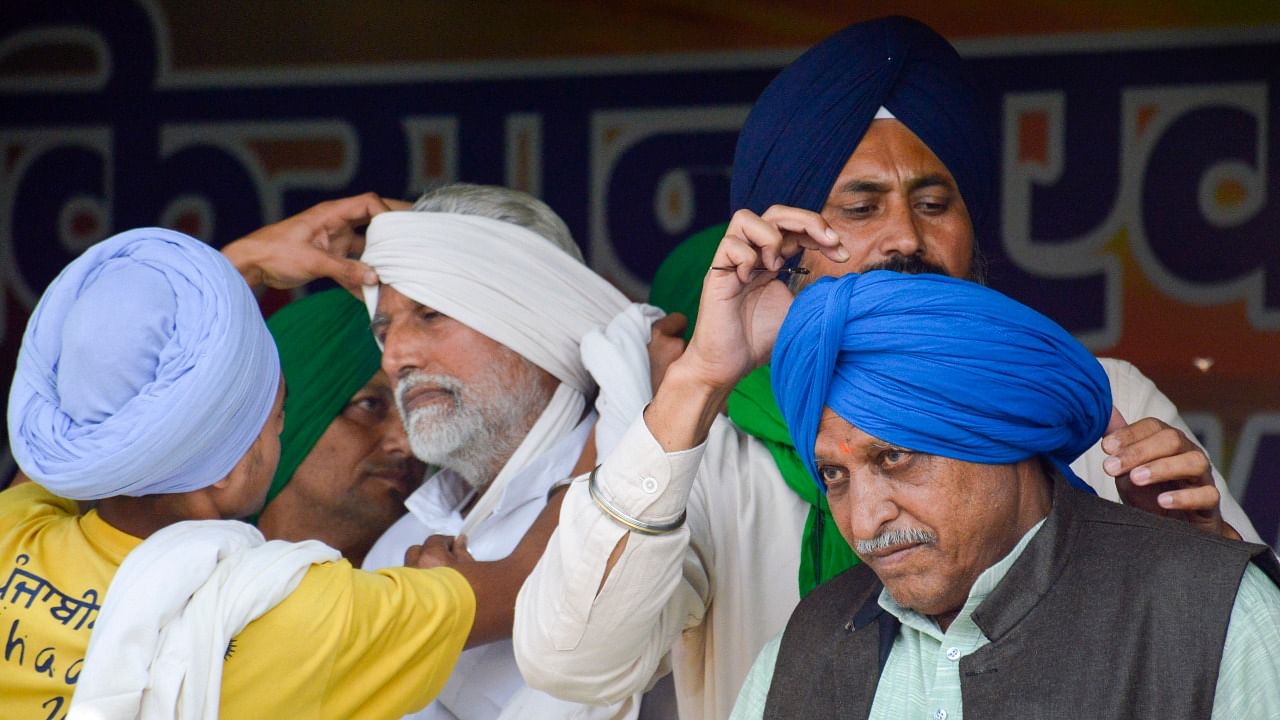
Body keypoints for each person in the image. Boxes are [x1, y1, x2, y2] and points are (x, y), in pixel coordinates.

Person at [513, 16, 1262, 720]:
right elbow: (573, 661)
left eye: (934, 202)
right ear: (788, 243)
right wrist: (701, 378)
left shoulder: (1101, 402)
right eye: (861, 208)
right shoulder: (710, 447)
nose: (906, 236)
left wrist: (1194, 566)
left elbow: (1242, 643)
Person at [0, 228, 518, 719]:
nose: (280, 434)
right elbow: (521, 586)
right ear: (223, 469)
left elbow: (87, 426)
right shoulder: (294, 614)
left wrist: (231, 274)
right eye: (275, 421)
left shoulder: (13, 535)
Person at [731, 271, 1280, 719]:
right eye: (834, 475)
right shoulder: (805, 647)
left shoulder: (1213, 616)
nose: (867, 519)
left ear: (1003, 435)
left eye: (894, 457)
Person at [353, 183, 676, 720]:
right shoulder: (397, 550)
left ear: (534, 316)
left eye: (431, 313)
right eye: (384, 330)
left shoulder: (671, 495)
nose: (395, 358)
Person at [254, 288, 427, 567]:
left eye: (418, 413)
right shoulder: (186, 581)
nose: (407, 444)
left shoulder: (443, 596)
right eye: (370, 405)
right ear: (285, 415)